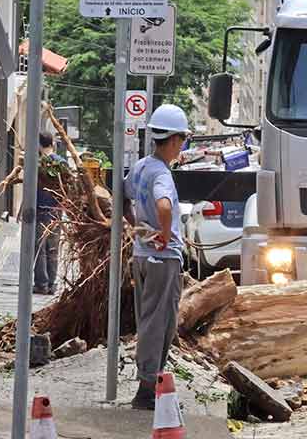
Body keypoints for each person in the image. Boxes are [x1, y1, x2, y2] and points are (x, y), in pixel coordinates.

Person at [125, 103, 190, 410]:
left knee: (149, 319)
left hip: (141, 255)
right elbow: (164, 205)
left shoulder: (139, 167)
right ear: (175, 140)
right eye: (184, 140)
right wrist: (164, 234)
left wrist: (137, 228)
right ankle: (147, 388)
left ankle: (151, 382)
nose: (183, 146)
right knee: (158, 322)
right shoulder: (161, 173)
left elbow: (124, 200)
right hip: (162, 259)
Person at [33, 133, 63, 295]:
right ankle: (52, 284)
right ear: (52, 143)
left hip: (40, 209)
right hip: (56, 211)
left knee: (39, 249)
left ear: (39, 145)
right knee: (52, 249)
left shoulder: (37, 163)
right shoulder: (61, 163)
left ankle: (41, 284)